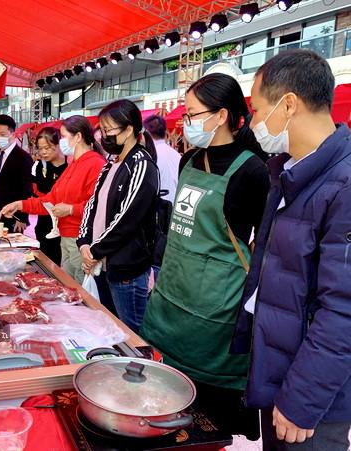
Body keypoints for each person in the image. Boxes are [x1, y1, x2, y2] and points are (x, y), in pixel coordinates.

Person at [139, 73, 270, 440]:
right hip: (170, 306)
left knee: (207, 430)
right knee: (162, 416)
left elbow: (262, 248)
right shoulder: (189, 160)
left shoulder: (252, 171)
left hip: (215, 319)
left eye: (193, 115)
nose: (187, 123)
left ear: (222, 115)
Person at [232, 49, 351, 451]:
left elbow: (344, 310)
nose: (253, 121)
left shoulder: (344, 185)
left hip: (314, 398)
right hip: (280, 368)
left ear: (288, 104)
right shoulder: (291, 171)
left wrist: (302, 400)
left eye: (256, 108)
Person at [78, 100, 160, 331]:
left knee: (131, 332)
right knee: (108, 327)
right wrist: (84, 243)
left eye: (109, 130)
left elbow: (127, 219)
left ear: (129, 130)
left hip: (126, 268)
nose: (103, 136)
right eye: (101, 130)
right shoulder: (110, 164)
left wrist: (94, 251)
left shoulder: (142, 165)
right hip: (101, 264)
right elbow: (92, 206)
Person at [0, 116, 105, 283]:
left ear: (78, 137)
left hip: (80, 241)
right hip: (67, 239)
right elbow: (50, 200)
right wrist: (20, 205)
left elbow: (99, 207)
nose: (61, 141)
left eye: (63, 136)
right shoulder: (75, 164)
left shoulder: (95, 164)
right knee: (70, 288)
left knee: (81, 294)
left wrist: (70, 209)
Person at [0, 114, 33, 232]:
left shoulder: (23, 157)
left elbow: (27, 190)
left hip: (14, 216)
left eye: (2, 135)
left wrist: (21, 217)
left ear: (13, 134)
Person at [30, 127, 67, 265]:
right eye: (40, 148)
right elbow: (35, 193)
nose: (43, 152)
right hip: (45, 223)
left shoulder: (70, 165)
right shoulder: (38, 166)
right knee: (47, 264)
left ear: (58, 144)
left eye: (47, 147)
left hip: (65, 224)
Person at [144, 114, 181, 204]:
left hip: (159, 210)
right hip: (176, 208)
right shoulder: (177, 155)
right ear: (165, 133)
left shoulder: (149, 156)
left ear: (146, 133)